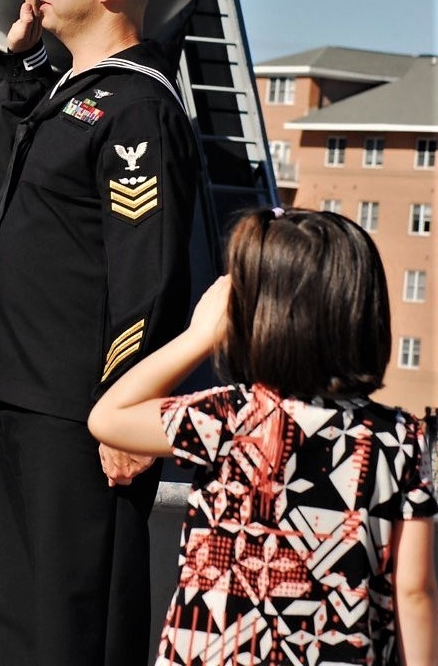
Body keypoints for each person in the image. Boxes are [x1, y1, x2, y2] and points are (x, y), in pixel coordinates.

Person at [0, 0, 199, 666]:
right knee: (29, 610)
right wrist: (30, 54)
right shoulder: (84, 94)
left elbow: (148, 271)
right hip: (33, 393)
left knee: (74, 613)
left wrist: (127, 408)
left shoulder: (136, 106)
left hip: (85, 409)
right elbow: (39, 128)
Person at [88, 207, 438, 665]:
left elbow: (109, 416)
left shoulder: (229, 417)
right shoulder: (401, 440)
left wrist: (199, 336)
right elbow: (414, 592)